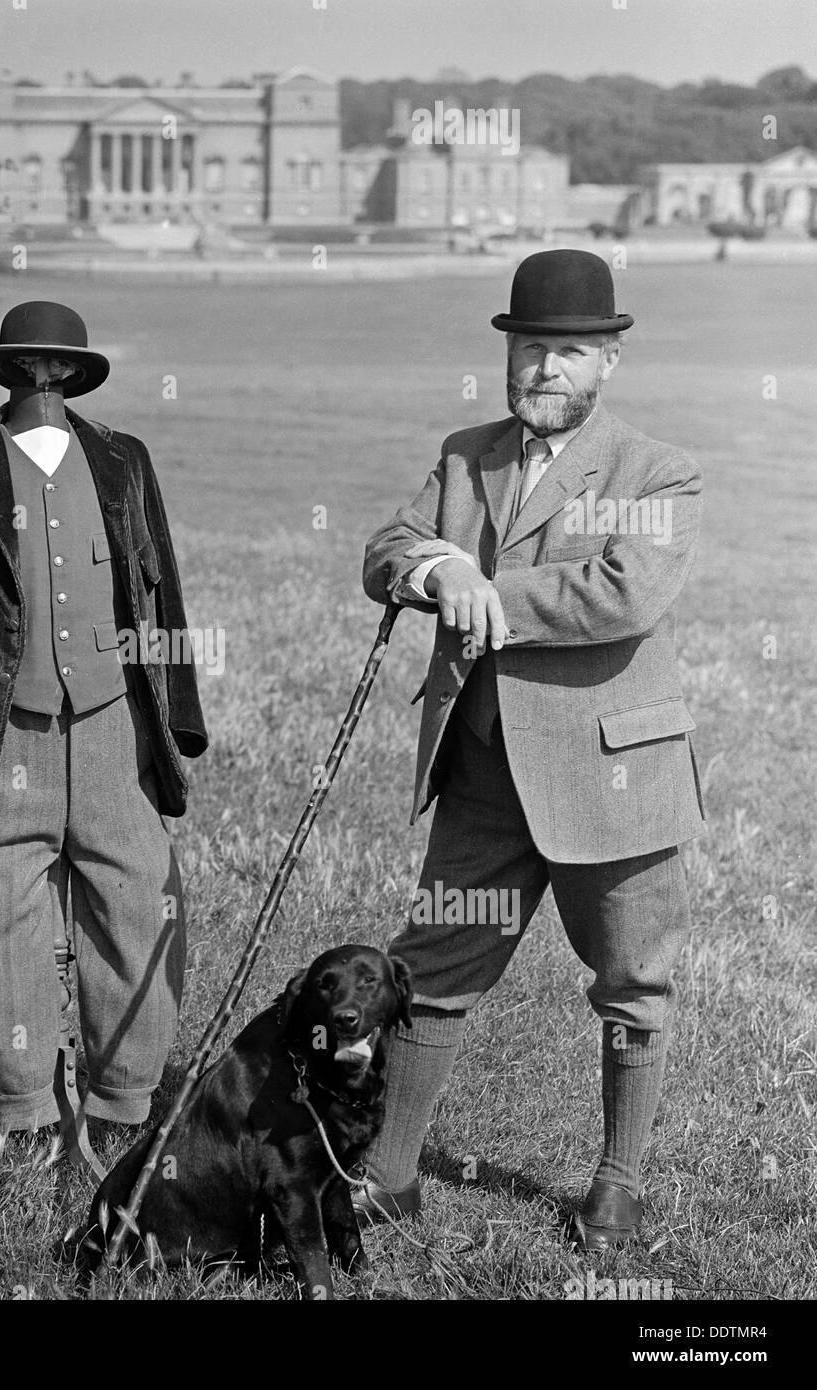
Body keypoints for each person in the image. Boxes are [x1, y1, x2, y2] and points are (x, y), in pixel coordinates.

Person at [361, 249, 705, 1250]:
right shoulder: (465, 453)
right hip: (480, 775)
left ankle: (614, 1185)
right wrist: (432, 567)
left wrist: (483, 595)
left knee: (631, 981)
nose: (544, 369)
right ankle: (384, 1175)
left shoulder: (655, 470)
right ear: (506, 356)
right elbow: (387, 545)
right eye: (528, 349)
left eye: (567, 351)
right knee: (429, 966)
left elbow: (621, 593)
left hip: (613, 776)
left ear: (606, 361)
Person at [0, 301, 207, 1137]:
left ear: (74, 373)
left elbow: (159, 587)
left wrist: (179, 717)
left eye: (56, 365)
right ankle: (25, 1107)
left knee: (139, 902)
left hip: (111, 723)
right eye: (28, 364)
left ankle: (123, 1102)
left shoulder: (123, 461)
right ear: (7, 370)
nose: (43, 378)